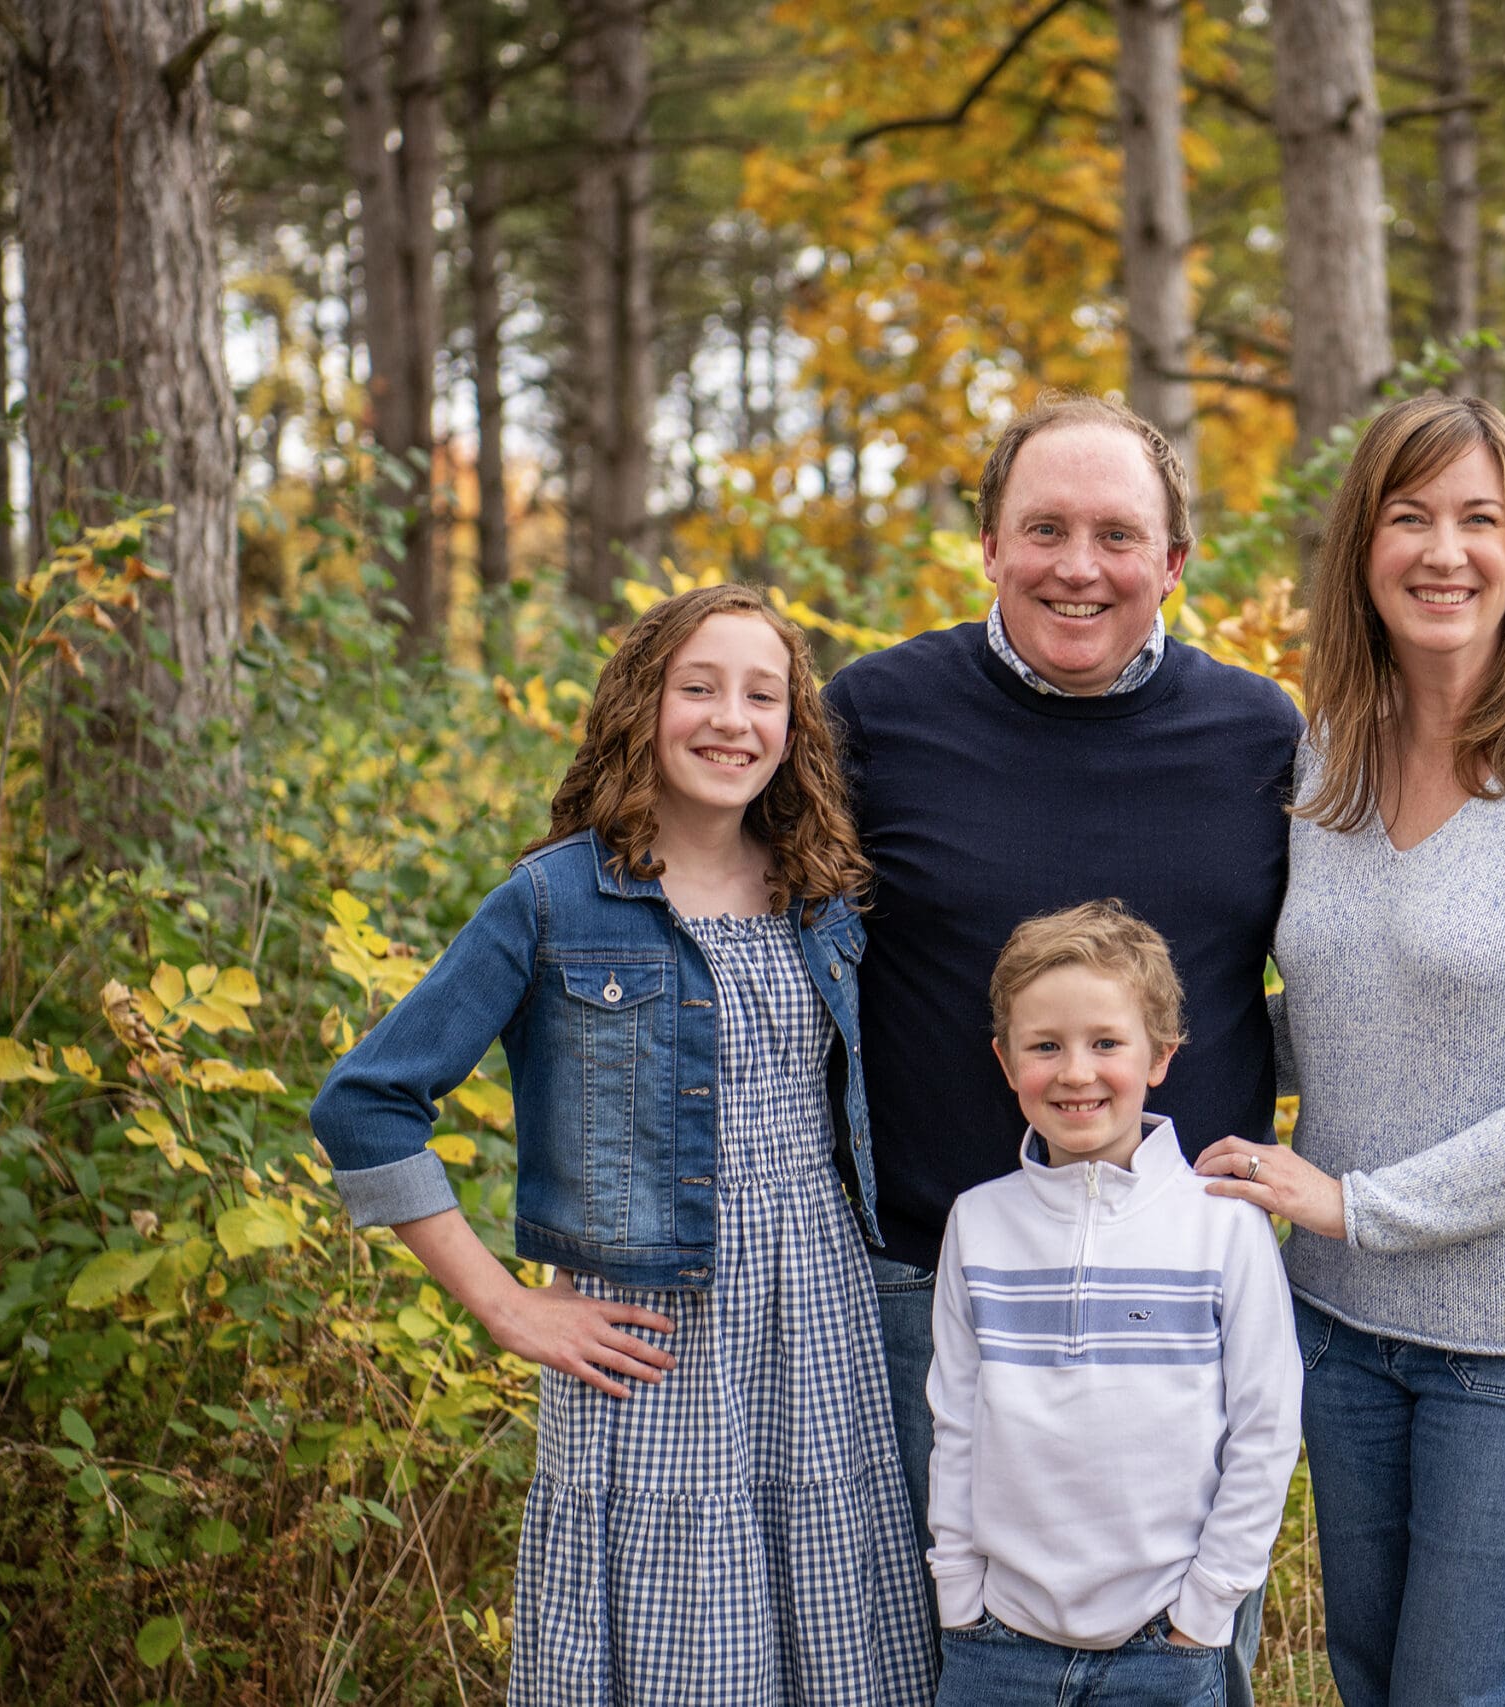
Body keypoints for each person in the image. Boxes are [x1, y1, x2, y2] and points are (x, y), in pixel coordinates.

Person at [310, 585, 935, 1706]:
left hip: (821, 1307)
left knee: (833, 1621)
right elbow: (365, 1104)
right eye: (698, 689)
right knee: (686, 1638)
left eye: (763, 695)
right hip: (651, 1321)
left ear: (795, 730)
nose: (730, 720)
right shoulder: (554, 901)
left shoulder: (823, 897)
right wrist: (505, 1306)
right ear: (640, 707)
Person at [1193, 394, 1505, 1705]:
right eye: (1410, 516)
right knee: (1373, 1678)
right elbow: (1337, 1009)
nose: (1445, 550)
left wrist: (1363, 1205)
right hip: (1348, 1327)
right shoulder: (1332, 761)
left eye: (1480, 518)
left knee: (1464, 1688)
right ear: (1362, 546)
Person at [824, 395, 1299, 1700]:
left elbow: (1338, 979)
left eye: (1116, 534)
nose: (1077, 567)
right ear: (987, 543)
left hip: (1186, 1303)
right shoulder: (873, 716)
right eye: (1043, 528)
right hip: (928, 1295)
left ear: (1176, 563)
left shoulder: (1265, 740)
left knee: (1185, 1672)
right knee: (944, 1668)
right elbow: (747, 952)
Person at [927, 903, 1299, 1707]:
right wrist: (957, 1597)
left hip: (1163, 1647)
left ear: (1161, 1054)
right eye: (1045, 1046)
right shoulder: (979, 1222)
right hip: (997, 1645)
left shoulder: (1225, 1222)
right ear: (1005, 1059)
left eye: (1106, 1043)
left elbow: (1266, 1429)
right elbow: (954, 1420)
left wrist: (1203, 1613)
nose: (1075, 1072)